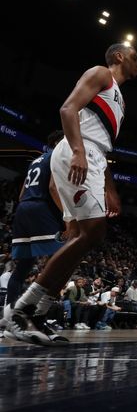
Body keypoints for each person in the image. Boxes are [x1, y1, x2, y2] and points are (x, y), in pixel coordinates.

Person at [6, 43, 137, 345]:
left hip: (94, 156)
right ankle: (20, 311)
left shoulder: (119, 96)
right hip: (79, 152)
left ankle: (38, 314)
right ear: (119, 56)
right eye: (135, 58)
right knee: (93, 233)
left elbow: (102, 143)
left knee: (84, 238)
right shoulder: (101, 73)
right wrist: (78, 150)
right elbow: (67, 109)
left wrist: (109, 187)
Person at [0, 131, 66, 333]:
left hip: (24, 208)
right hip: (40, 208)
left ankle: (8, 315)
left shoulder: (35, 160)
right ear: (58, 142)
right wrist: (66, 216)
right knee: (62, 258)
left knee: (23, 266)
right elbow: (54, 188)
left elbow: (21, 194)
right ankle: (37, 313)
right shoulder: (57, 156)